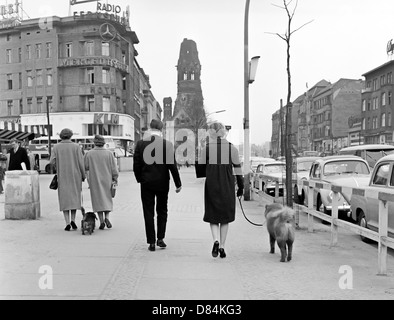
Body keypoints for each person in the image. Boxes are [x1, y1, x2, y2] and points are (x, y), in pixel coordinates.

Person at [133, 119, 182, 252]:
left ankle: (151, 242)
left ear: (150, 128)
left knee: (148, 212)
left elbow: (136, 164)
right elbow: (172, 165)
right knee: (162, 211)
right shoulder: (167, 145)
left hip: (146, 183)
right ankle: (160, 238)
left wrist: (140, 179)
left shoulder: (141, 144)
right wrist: (178, 183)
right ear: (161, 130)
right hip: (162, 183)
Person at [199, 122, 244, 258]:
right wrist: (241, 187)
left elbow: (200, 169)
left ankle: (215, 240)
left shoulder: (206, 148)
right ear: (224, 132)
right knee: (225, 218)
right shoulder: (232, 149)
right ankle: (223, 247)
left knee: (213, 215)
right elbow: (238, 171)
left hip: (212, 183)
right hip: (227, 184)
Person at [49, 128, 86, 231]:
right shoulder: (76, 147)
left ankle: (67, 222)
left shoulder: (56, 147)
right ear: (71, 135)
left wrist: (58, 166)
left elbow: (52, 161)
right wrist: (83, 175)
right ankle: (73, 220)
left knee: (65, 199)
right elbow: (81, 162)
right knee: (74, 198)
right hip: (75, 176)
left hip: (62, 175)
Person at [84, 134, 119, 230]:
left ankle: (101, 221)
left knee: (98, 200)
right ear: (103, 143)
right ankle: (107, 217)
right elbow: (114, 169)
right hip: (107, 179)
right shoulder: (109, 154)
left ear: (94, 143)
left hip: (94, 180)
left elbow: (85, 168)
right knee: (107, 199)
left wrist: (87, 179)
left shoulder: (89, 154)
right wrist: (115, 178)